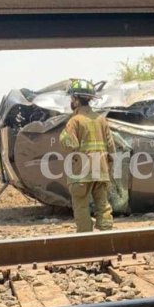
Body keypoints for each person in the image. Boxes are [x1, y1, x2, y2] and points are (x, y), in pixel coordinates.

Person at [59, 79, 116, 232]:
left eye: (72, 98)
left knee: (81, 205)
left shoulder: (74, 120)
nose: (71, 101)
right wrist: (109, 167)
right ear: (90, 99)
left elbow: (69, 144)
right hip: (101, 170)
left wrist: (63, 134)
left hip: (81, 172)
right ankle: (106, 237)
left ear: (76, 99)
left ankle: (85, 238)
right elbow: (111, 147)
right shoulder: (101, 119)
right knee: (103, 206)